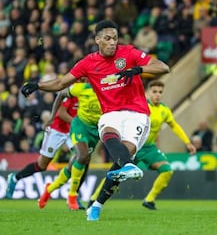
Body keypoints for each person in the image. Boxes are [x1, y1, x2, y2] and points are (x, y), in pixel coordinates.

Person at [20, 19, 169, 211]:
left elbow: (163, 67)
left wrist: (139, 69)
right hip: (110, 113)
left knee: (122, 158)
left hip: (137, 113)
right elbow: (60, 84)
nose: (112, 42)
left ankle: (97, 204)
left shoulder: (129, 53)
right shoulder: (88, 63)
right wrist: (37, 85)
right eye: (107, 38)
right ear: (97, 39)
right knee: (110, 134)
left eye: (115, 38)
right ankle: (126, 167)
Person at [87, 80, 196, 220]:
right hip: (136, 145)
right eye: (154, 92)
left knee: (167, 170)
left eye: (160, 92)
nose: (157, 95)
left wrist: (187, 143)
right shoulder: (139, 107)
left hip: (150, 148)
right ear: (148, 92)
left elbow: (174, 125)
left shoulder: (164, 110)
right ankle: (94, 199)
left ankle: (149, 200)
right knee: (117, 172)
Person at [38, 81, 102, 210]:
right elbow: (61, 94)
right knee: (82, 155)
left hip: (95, 131)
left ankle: (49, 189)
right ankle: (72, 195)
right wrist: (52, 116)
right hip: (79, 126)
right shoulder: (80, 88)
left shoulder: (108, 90)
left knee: (78, 161)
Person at [5, 94, 78, 203]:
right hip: (56, 130)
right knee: (42, 165)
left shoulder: (91, 92)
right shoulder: (72, 91)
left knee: (81, 158)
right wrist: (78, 123)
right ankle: (15, 178)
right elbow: (61, 113)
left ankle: (73, 194)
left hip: (72, 131)